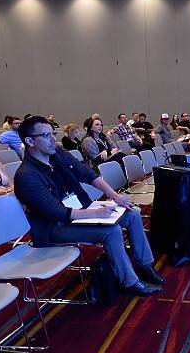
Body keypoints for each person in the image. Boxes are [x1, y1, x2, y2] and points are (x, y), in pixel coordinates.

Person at [14, 116, 164, 296]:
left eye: (52, 134)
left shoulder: (57, 153)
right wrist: (97, 213)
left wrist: (114, 196)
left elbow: (86, 173)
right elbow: (57, 212)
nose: (54, 139)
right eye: (46, 136)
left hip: (80, 210)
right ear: (30, 141)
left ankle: (144, 265)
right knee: (112, 231)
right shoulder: (26, 176)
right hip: (54, 227)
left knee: (132, 213)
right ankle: (130, 282)